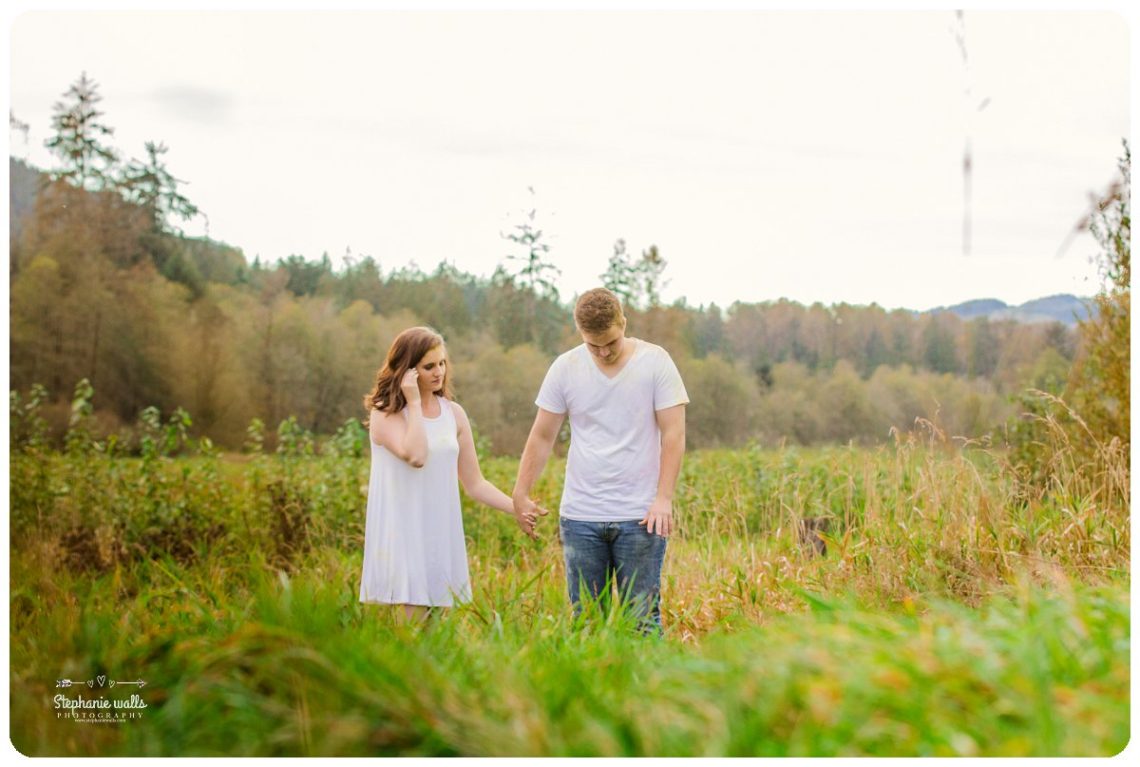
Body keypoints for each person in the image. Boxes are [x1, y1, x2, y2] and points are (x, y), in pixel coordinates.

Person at [512, 288, 688, 634]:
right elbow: (542, 436)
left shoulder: (656, 362)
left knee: (642, 622)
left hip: (641, 518)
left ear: (623, 322)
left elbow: (674, 434)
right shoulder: (565, 368)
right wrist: (521, 492)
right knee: (588, 624)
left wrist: (663, 498)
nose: (604, 352)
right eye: (594, 345)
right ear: (580, 332)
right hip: (581, 517)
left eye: (612, 342)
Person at [359, 326, 536, 621]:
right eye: (428, 366)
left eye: (442, 363)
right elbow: (415, 455)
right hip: (404, 536)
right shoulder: (384, 414)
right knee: (411, 639)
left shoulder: (454, 413)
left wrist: (516, 507)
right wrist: (414, 402)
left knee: (440, 643)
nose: (439, 372)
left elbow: (475, 483)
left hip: (440, 535)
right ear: (407, 372)